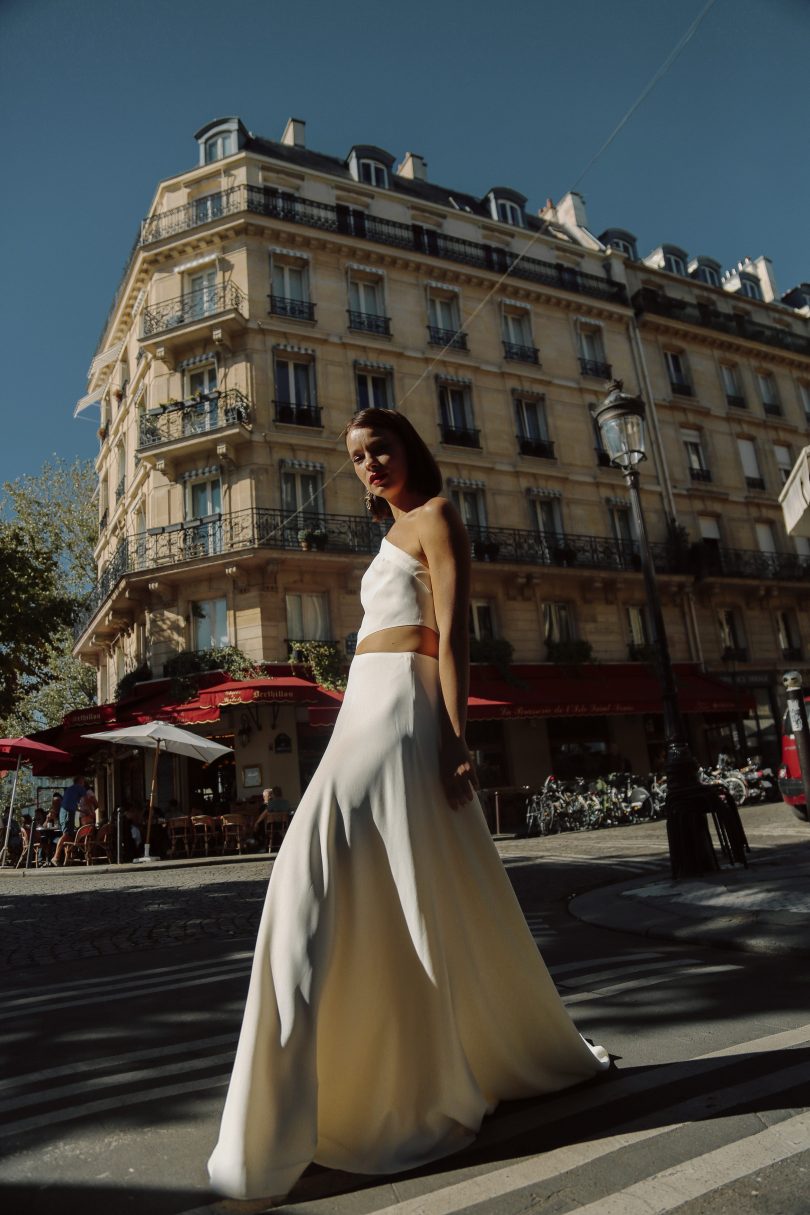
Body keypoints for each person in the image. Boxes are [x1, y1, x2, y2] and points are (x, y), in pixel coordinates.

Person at [207, 408, 609, 1201]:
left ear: (408, 446)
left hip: (403, 711)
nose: (368, 464)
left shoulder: (438, 516)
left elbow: (453, 633)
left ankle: (380, 1084)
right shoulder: (387, 536)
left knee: (317, 865)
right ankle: (329, 1085)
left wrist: (456, 737)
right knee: (336, 873)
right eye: (356, 457)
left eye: (379, 448)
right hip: (363, 703)